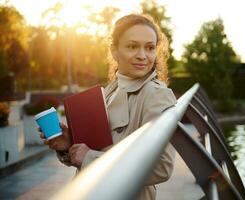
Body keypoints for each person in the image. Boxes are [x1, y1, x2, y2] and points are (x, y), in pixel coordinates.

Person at [39, 14, 177, 200]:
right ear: (114, 51)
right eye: (132, 46)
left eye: (150, 48)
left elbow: (161, 167)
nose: (142, 55)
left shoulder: (157, 94)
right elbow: (102, 148)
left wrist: (88, 157)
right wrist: (70, 144)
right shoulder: (110, 90)